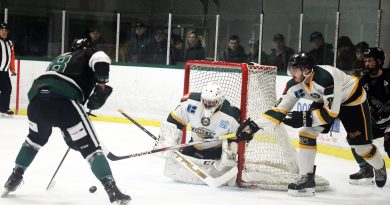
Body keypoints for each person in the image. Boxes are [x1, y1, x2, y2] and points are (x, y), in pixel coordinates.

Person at [235, 52, 387, 196]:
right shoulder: (294, 84)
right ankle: (306, 178)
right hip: (325, 101)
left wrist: (303, 118)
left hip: (352, 100)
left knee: (361, 147)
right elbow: (278, 111)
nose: (291, 73)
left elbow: (330, 114)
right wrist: (254, 126)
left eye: (295, 70)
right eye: (290, 69)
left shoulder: (325, 79)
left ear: (307, 70)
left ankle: (379, 167)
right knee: (306, 134)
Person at [1, 38, 131, 204]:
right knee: (91, 149)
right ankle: (112, 190)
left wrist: (71, 134)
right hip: (65, 102)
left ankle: (15, 176)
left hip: (36, 102)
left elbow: (57, 106)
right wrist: (102, 85)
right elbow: (101, 59)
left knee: (34, 140)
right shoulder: (87, 54)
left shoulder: (61, 58)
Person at [155, 82, 250, 186]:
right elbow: (174, 120)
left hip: (215, 151)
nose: (207, 104)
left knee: (220, 170)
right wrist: (167, 140)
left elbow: (236, 137)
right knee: (177, 169)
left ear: (220, 101)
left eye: (212, 102)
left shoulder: (230, 115)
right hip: (193, 145)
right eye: (205, 101)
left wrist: (229, 153)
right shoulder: (191, 102)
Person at [349, 47, 390, 185]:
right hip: (376, 122)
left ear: (379, 61)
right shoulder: (363, 80)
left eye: (370, 61)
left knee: (389, 143)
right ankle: (366, 168)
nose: (366, 64)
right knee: (354, 137)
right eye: (365, 61)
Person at [0, 22, 16, 116]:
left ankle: (4, 108)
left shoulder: (10, 43)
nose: (4, 32)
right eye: (2, 30)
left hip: (5, 72)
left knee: (7, 89)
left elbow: (12, 56)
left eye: (6, 30)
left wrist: (12, 69)